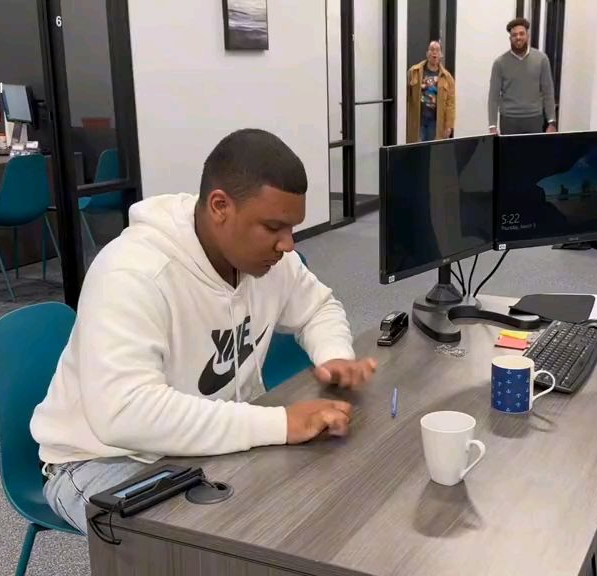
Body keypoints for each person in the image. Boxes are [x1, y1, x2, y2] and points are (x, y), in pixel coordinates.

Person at [31, 128, 378, 534]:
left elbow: (318, 307)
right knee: (209, 546)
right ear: (219, 206)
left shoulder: (268, 262)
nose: (288, 245)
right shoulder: (131, 274)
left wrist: (333, 353)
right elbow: (125, 414)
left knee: (313, 506)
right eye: (273, 227)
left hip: (206, 437)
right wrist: (278, 424)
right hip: (104, 457)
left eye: (291, 228)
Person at [488, 17, 557, 136]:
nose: (518, 37)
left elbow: (548, 92)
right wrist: (492, 126)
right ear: (510, 38)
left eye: (521, 33)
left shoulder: (541, 59)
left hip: (535, 119)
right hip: (509, 120)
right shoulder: (500, 63)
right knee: (509, 149)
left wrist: (552, 122)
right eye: (514, 35)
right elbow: (493, 97)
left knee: (534, 149)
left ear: (527, 36)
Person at [407, 40, 456, 143]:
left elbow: (450, 104)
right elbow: (406, 97)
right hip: (418, 121)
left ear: (441, 55)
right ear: (427, 53)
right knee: (416, 149)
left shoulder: (447, 78)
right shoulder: (414, 71)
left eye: (437, 50)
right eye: (432, 49)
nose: (434, 52)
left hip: (435, 122)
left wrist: (449, 126)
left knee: (432, 149)